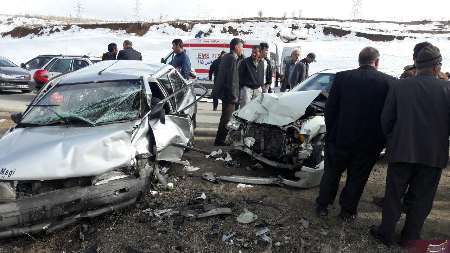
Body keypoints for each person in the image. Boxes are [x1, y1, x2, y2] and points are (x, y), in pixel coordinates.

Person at [370, 44, 448, 247]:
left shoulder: (400, 86)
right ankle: (410, 238)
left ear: (417, 64)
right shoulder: (447, 89)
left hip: (401, 150)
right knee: (422, 198)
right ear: (436, 67)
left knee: (394, 194)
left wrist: (393, 139)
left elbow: (386, 119)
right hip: (433, 155)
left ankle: (385, 233)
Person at [315, 47, 395, 221]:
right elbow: (388, 115)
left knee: (331, 173)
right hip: (369, 143)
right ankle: (347, 211)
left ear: (359, 61)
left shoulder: (342, 77)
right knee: (357, 177)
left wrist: (332, 131)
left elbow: (330, 109)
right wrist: (382, 140)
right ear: (377, 62)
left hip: (340, 138)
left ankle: (322, 205)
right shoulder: (388, 82)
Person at [211, 38, 244, 146]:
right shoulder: (232, 58)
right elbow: (232, 79)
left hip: (225, 92)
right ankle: (220, 140)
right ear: (236, 47)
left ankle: (220, 139)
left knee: (225, 116)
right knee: (227, 118)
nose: (242, 49)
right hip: (229, 94)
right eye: (241, 47)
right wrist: (234, 95)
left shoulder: (227, 57)